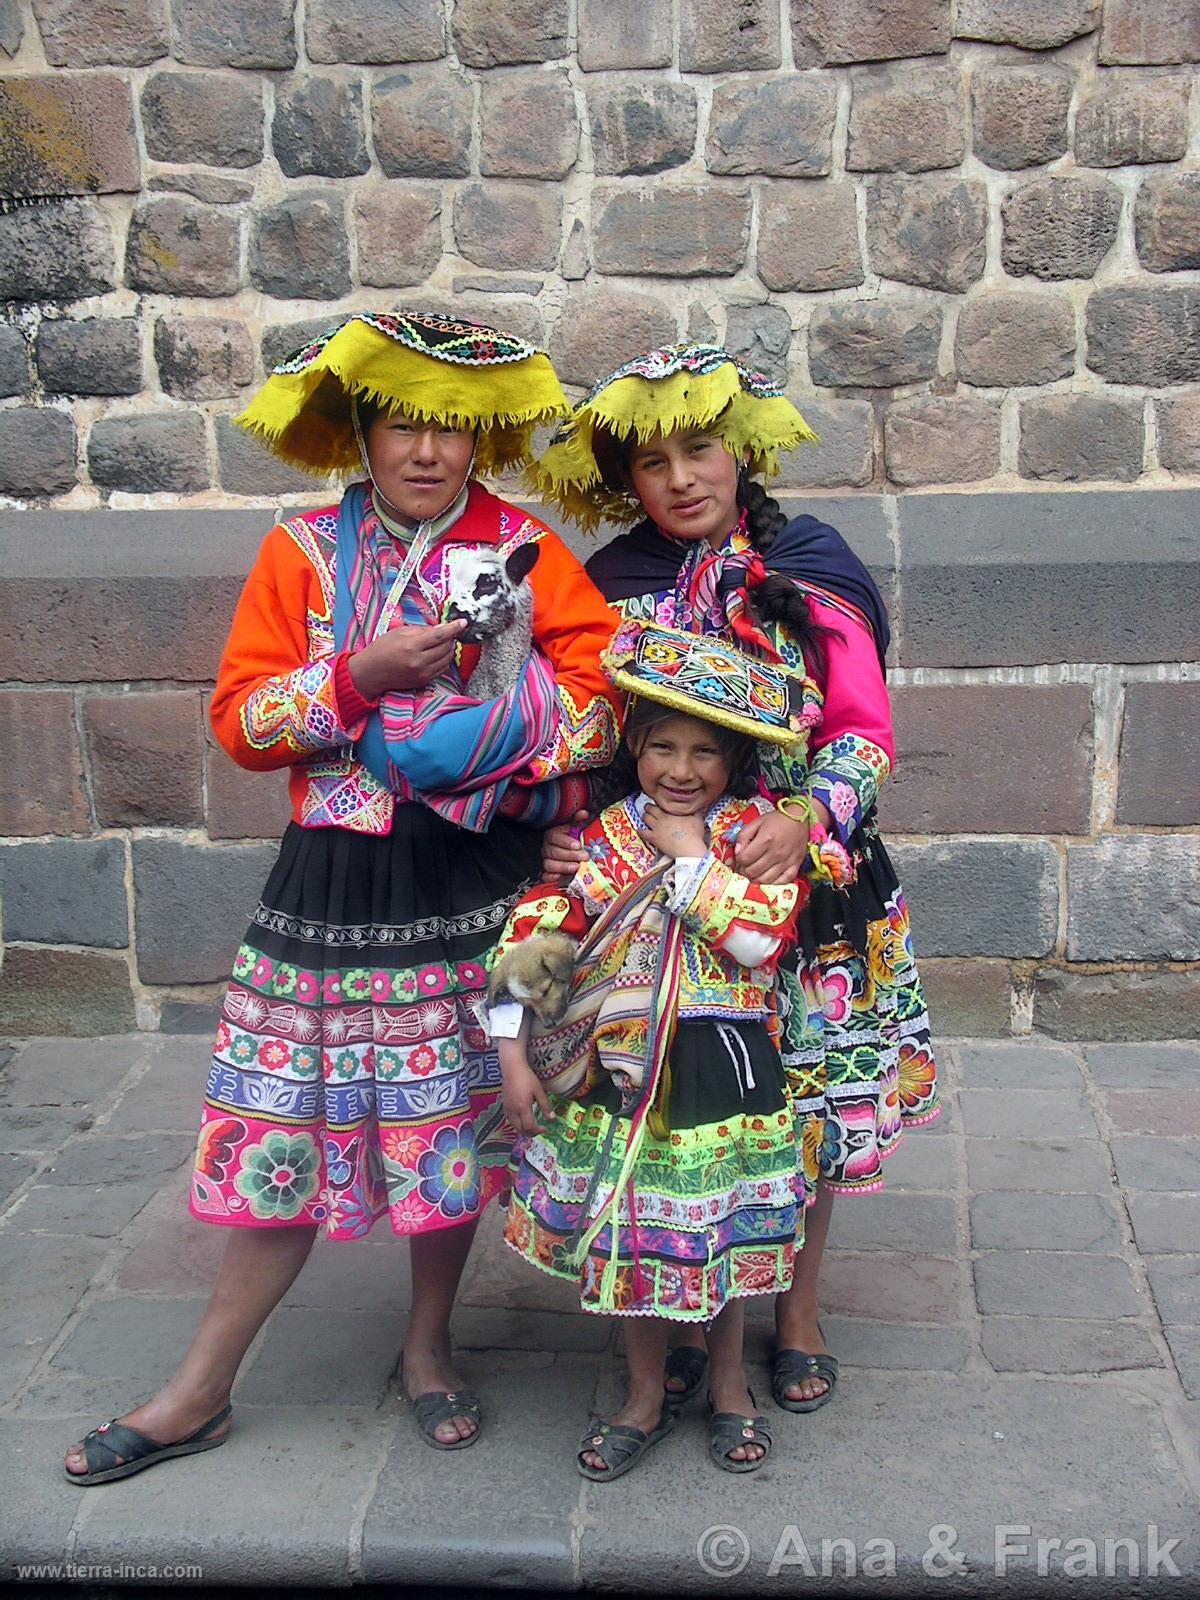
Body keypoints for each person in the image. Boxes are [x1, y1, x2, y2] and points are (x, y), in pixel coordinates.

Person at [64, 310, 622, 1483]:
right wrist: (355, 680)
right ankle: (203, 1384)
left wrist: (490, 737)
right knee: (285, 1120)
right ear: (361, 432)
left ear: (478, 443)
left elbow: (603, 699)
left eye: (451, 429)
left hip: (474, 881)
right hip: (332, 881)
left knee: (454, 1120)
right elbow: (241, 722)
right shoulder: (302, 552)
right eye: (400, 423)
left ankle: (428, 1346)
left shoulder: (526, 549)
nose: (426, 450)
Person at [531, 344, 941, 1417]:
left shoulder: (811, 564)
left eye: (699, 448)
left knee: (805, 1100)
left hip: (807, 888)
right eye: (653, 462)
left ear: (739, 448)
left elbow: (860, 729)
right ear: (628, 481)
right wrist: (575, 834)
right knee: (683, 1105)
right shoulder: (611, 587)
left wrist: (806, 816)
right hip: (658, 897)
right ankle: (678, 1290)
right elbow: (588, 736)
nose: (681, 478)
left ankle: (794, 1310)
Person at [488, 628, 812, 1477]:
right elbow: (544, 936)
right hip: (627, 1072)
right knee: (633, 1232)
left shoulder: (756, 836)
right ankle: (641, 1391)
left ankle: (731, 1384)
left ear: (733, 759)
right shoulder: (602, 838)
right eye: (663, 746)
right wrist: (514, 1057)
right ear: (634, 745)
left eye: (705, 752)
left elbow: (758, 940)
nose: (681, 769)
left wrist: (692, 861)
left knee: (724, 1230)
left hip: (722, 1069)